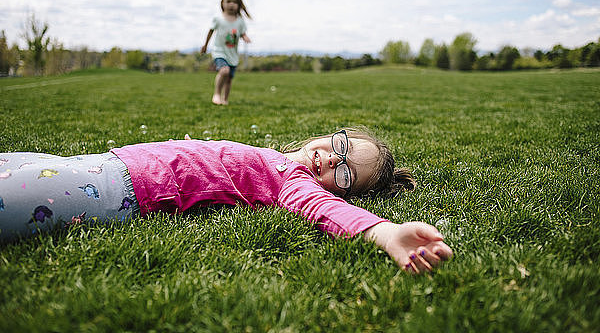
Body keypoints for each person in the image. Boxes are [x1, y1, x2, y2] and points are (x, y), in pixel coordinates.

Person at [0, 128, 452, 274]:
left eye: (346, 171)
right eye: (339, 144)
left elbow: (326, 211)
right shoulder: (276, 156)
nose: (330, 160)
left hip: (115, 189)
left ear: (342, 190)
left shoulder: (292, 183)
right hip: (105, 161)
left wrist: (385, 230)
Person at [200, 0, 252, 105]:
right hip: (219, 52)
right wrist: (205, 45)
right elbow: (211, 31)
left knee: (229, 79)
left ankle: (225, 99)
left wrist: (245, 37)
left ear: (239, 4)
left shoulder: (240, 21)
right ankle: (217, 94)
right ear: (222, 3)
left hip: (232, 54)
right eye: (228, 1)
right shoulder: (218, 19)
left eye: (235, 2)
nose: (231, 5)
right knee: (224, 71)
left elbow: (242, 32)